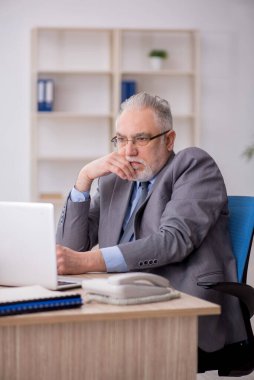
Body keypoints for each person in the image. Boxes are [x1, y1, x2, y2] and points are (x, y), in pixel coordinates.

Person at [56, 92, 246, 355]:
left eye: (141, 139)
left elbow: (173, 240)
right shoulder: (114, 180)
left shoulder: (192, 165)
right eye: (121, 139)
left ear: (169, 140)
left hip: (178, 301)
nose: (128, 151)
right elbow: (70, 248)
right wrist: (84, 179)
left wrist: (88, 261)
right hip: (119, 298)